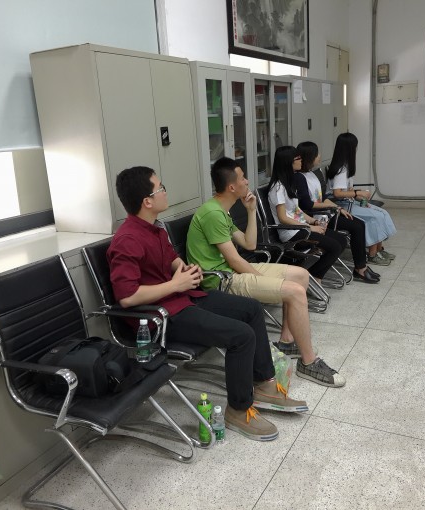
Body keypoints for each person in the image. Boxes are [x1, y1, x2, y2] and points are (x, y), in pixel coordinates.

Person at [107, 166, 309, 442]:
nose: (165, 191)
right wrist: (175, 285)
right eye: (160, 188)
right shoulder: (127, 240)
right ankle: (238, 410)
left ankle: (264, 384)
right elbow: (127, 297)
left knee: (251, 309)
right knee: (241, 335)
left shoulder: (155, 229)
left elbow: (171, 260)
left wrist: (186, 270)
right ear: (147, 201)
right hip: (161, 317)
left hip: (183, 298)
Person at [186, 157, 346, 388]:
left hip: (233, 270)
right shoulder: (212, 213)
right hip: (221, 280)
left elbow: (249, 245)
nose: (247, 181)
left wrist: (251, 211)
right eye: (242, 178)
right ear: (231, 187)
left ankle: (287, 341)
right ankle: (309, 362)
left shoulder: (221, 210)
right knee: (294, 292)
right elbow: (234, 260)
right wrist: (262, 279)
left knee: (300, 275)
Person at [295, 141, 380, 284]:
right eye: (317, 154)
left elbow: (322, 198)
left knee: (359, 224)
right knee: (356, 227)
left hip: (325, 212)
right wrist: (332, 207)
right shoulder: (299, 177)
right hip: (316, 215)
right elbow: (306, 204)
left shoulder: (311, 174)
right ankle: (360, 268)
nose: (319, 156)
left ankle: (361, 266)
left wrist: (338, 208)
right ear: (310, 156)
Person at [268, 146, 348, 283]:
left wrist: (314, 221)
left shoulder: (289, 183)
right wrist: (309, 227)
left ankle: (313, 276)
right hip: (292, 234)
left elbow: (296, 210)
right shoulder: (278, 187)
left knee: (341, 240)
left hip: (301, 228)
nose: (301, 160)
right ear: (289, 162)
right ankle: (312, 278)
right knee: (334, 246)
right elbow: (283, 218)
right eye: (298, 158)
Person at [326, 132, 397, 266]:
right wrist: (357, 192)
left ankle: (379, 250)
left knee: (382, 213)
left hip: (348, 203)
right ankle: (372, 255)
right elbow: (337, 193)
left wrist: (360, 198)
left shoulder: (345, 166)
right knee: (375, 217)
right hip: (340, 206)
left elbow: (347, 191)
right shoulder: (341, 170)